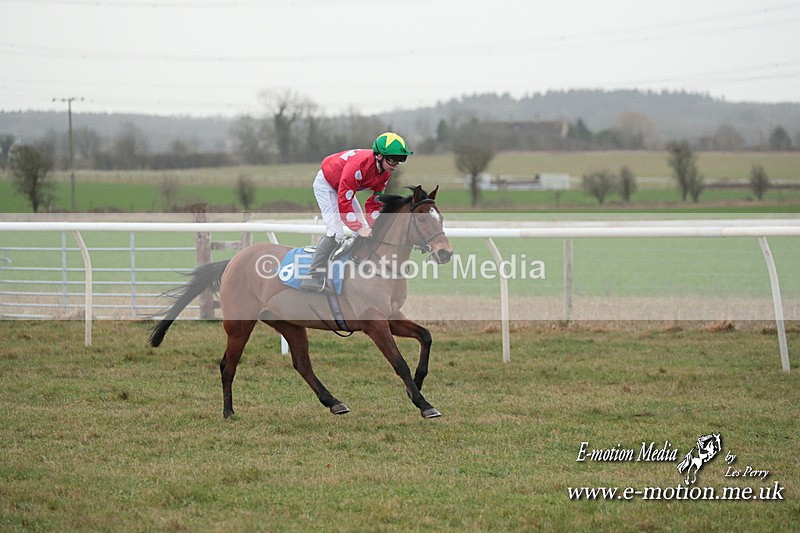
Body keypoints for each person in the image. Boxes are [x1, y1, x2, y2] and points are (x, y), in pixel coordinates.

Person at [300, 132, 412, 291]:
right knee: (336, 233)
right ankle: (312, 276)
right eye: (393, 159)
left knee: (366, 228)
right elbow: (343, 202)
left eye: (401, 159)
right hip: (327, 185)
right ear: (379, 156)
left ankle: (355, 268)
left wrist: (373, 227)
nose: (396, 164)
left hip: (344, 189)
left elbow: (374, 203)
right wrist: (359, 227)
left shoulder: (385, 173)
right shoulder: (359, 165)